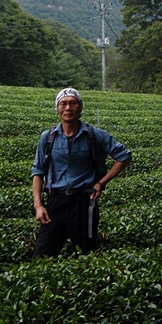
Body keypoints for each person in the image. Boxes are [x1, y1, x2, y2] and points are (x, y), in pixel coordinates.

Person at [31, 87, 132, 257]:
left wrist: (101, 183)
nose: (68, 108)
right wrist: (38, 205)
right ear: (57, 108)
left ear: (80, 107)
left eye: (73, 103)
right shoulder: (47, 137)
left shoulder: (95, 135)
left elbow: (124, 156)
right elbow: (38, 171)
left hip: (84, 202)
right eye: (63, 104)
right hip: (55, 202)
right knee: (42, 256)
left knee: (86, 254)